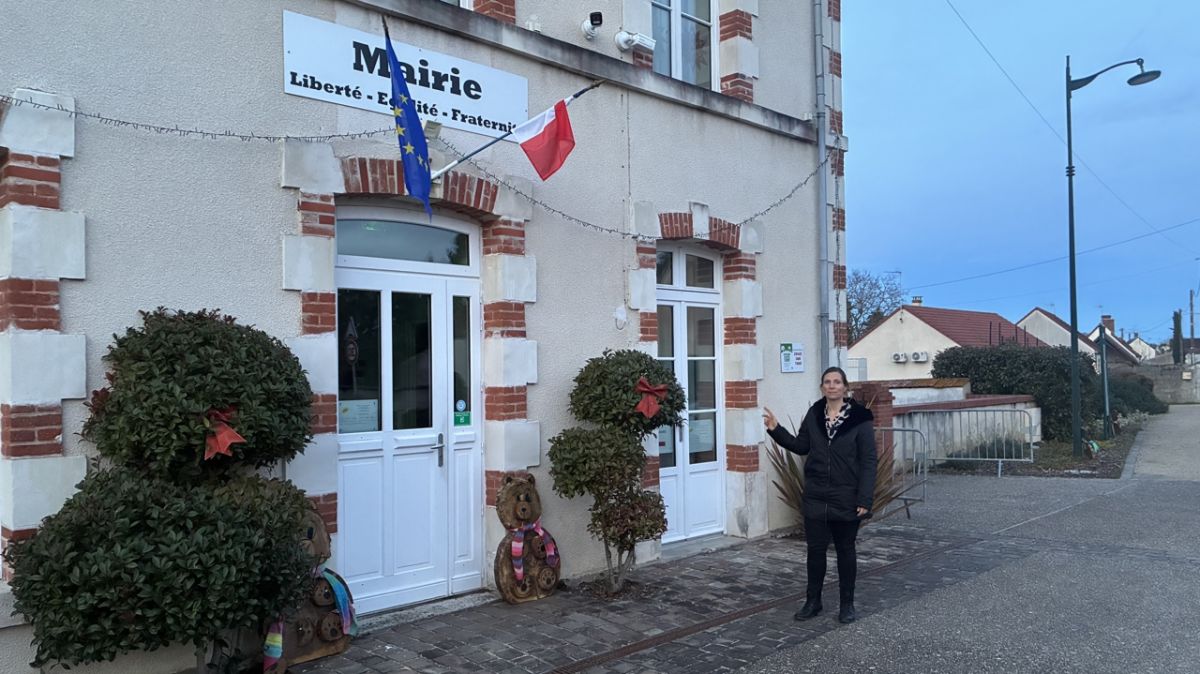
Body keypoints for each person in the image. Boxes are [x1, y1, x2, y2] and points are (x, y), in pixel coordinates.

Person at [762, 366, 877, 624]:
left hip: (847, 495)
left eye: (837, 382)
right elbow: (801, 446)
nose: (832, 386)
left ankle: (847, 604)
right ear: (822, 387)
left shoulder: (860, 417)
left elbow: (869, 461)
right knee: (815, 551)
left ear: (845, 387)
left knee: (846, 550)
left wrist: (864, 499)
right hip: (816, 495)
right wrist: (776, 429)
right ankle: (813, 601)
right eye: (827, 382)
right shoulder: (814, 413)